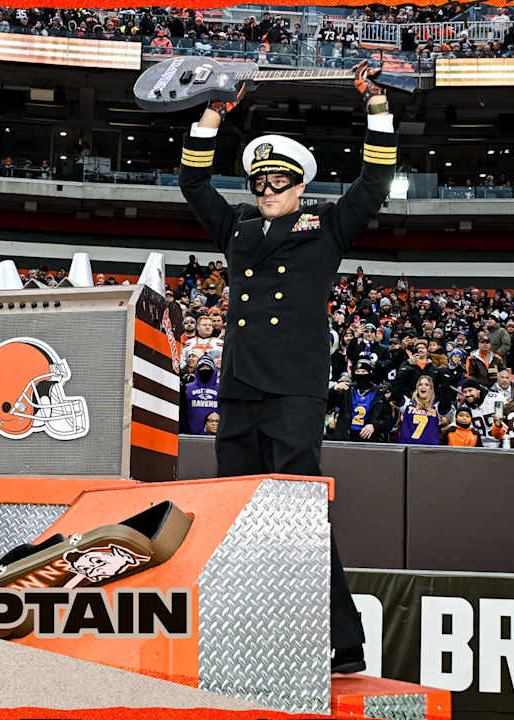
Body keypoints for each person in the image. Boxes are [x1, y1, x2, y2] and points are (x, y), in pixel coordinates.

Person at [177, 60, 395, 674]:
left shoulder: (326, 227)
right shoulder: (239, 229)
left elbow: (375, 180)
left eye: (279, 180)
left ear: (300, 185)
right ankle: (242, 629)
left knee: (299, 514)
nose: (267, 189)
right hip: (240, 388)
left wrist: (377, 108)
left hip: (294, 392)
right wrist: (212, 114)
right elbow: (193, 183)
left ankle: (343, 642)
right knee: (234, 510)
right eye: (260, 181)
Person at [397, 375, 441, 445]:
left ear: (431, 389)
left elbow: (446, 400)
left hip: (430, 449)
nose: (423, 387)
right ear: (417, 388)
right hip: (408, 448)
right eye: (420, 384)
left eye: (427, 385)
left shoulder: (436, 407)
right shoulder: (408, 404)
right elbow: (396, 394)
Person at [183, 351, 219, 435]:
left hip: (215, 435)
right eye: (202, 367)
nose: (205, 369)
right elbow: (183, 411)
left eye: (208, 367)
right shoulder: (188, 388)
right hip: (191, 435)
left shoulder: (220, 389)